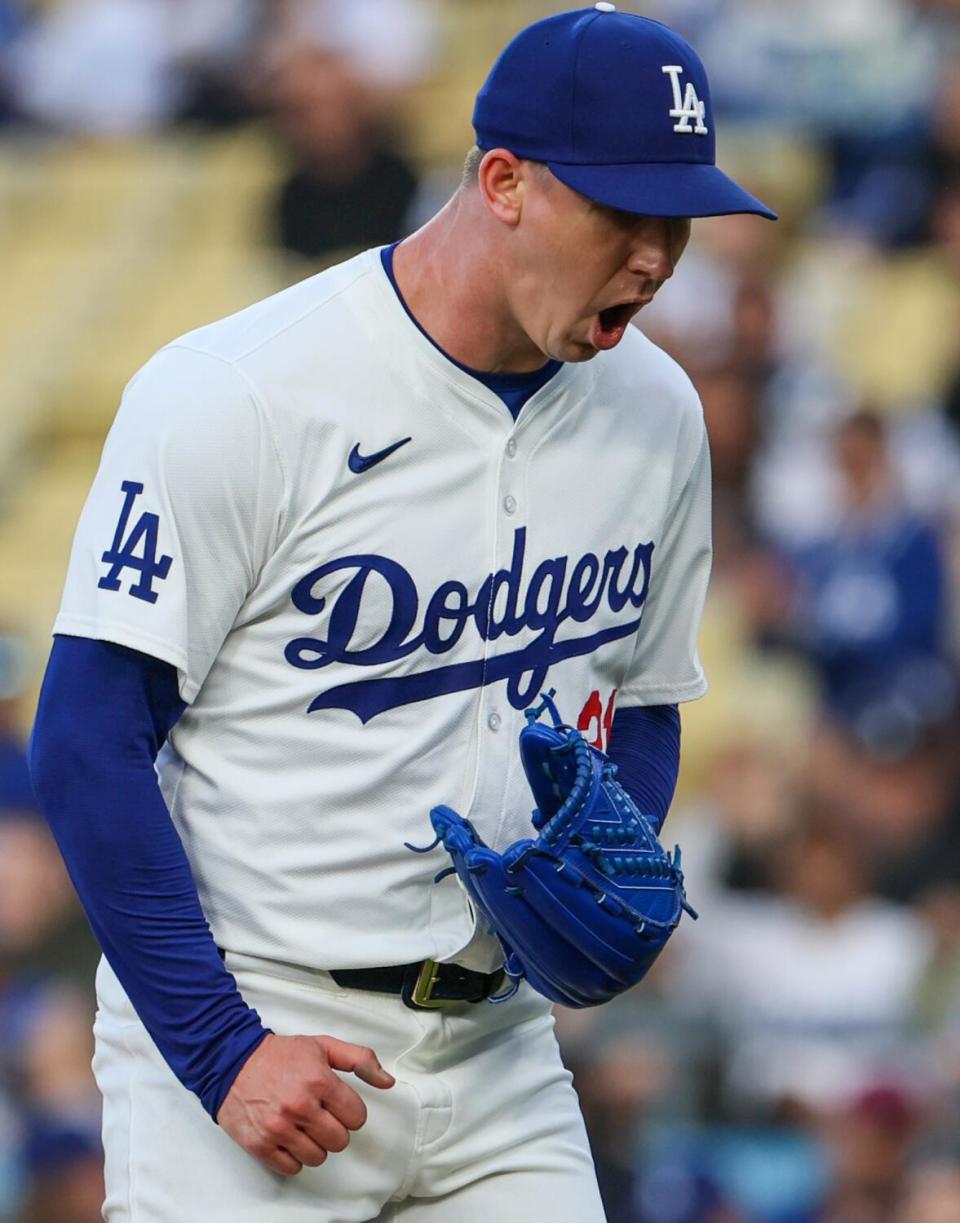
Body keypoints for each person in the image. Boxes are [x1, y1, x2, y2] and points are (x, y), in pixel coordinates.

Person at [29, 6, 774, 1221]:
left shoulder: (658, 412)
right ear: (504, 182)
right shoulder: (243, 393)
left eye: (679, 217)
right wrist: (221, 1049)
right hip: (257, 1022)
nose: (657, 254)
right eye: (623, 211)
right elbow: (83, 741)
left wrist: (609, 848)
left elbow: (644, 699)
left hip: (500, 1056)